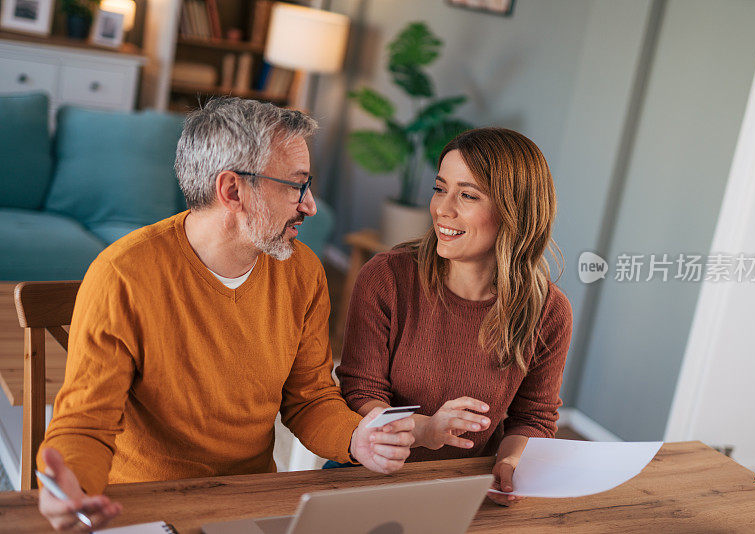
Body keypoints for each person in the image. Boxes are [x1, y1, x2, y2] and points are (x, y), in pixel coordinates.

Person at [37, 98, 414, 531]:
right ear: (232, 190)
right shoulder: (123, 274)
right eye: (297, 186)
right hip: (143, 508)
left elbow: (309, 399)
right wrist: (70, 488)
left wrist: (356, 438)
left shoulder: (303, 271)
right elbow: (86, 422)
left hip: (246, 505)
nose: (309, 206)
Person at [336, 127, 573, 506]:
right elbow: (360, 393)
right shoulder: (388, 277)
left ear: (515, 211)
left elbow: (534, 416)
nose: (442, 209)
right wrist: (425, 430)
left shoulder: (548, 310)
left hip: (464, 486)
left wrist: (509, 463)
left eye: (467, 195)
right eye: (439, 188)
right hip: (369, 475)